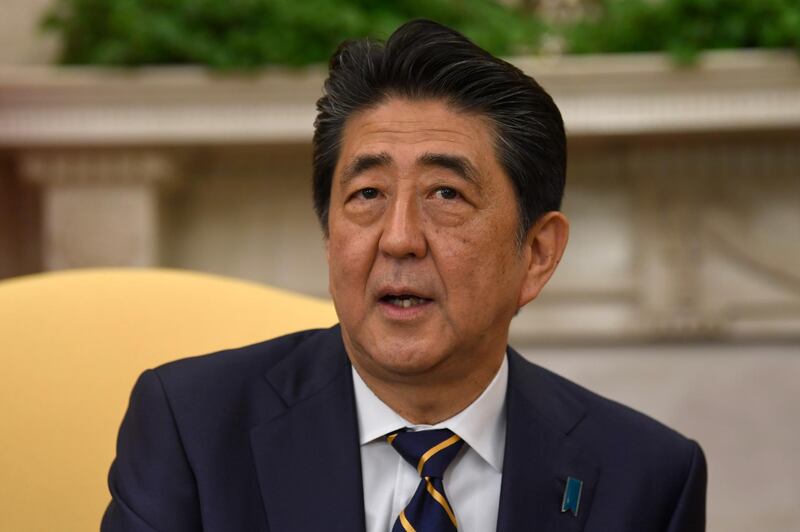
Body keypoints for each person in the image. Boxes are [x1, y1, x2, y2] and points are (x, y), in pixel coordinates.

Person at [102, 19, 706, 532]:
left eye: (446, 193)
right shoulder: (194, 429)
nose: (398, 238)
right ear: (329, 232)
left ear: (538, 254)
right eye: (366, 194)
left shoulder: (646, 477)